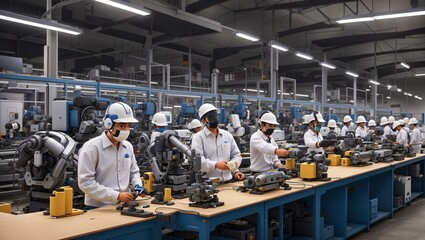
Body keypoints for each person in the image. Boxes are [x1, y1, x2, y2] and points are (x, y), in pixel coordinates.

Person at [78, 102, 144, 208]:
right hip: (98, 207)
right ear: (109, 124)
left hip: (123, 205)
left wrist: (137, 185)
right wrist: (116, 196)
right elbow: (86, 183)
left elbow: (134, 172)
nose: (126, 130)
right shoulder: (91, 148)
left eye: (128, 126)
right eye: (122, 125)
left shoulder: (128, 147)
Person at [191, 103, 245, 182]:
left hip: (228, 182)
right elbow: (198, 162)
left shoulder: (227, 135)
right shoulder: (198, 138)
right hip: (208, 185)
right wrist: (216, 165)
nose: (214, 119)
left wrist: (235, 169)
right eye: (211, 117)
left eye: (215, 115)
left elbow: (236, 155)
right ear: (203, 121)